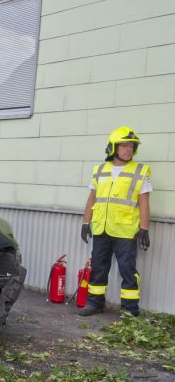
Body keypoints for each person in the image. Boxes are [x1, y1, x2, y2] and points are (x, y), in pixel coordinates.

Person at [79, 126, 151, 317]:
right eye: (124, 146)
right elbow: (92, 198)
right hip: (101, 228)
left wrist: (144, 228)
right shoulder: (100, 170)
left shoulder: (140, 171)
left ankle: (129, 310)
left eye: (132, 147)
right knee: (98, 267)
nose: (129, 150)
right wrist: (86, 223)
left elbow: (144, 202)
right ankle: (95, 303)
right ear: (113, 148)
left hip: (125, 231)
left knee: (128, 270)